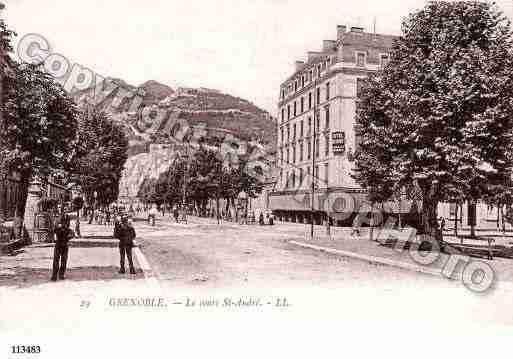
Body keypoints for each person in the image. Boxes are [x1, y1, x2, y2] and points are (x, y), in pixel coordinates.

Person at [51, 214, 74, 281]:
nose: (64, 223)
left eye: (65, 222)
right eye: (63, 222)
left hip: (62, 245)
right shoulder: (59, 229)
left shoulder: (67, 230)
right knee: (57, 260)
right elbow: (53, 232)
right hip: (59, 245)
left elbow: (72, 234)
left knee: (62, 260)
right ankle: (55, 275)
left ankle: (60, 275)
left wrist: (67, 238)